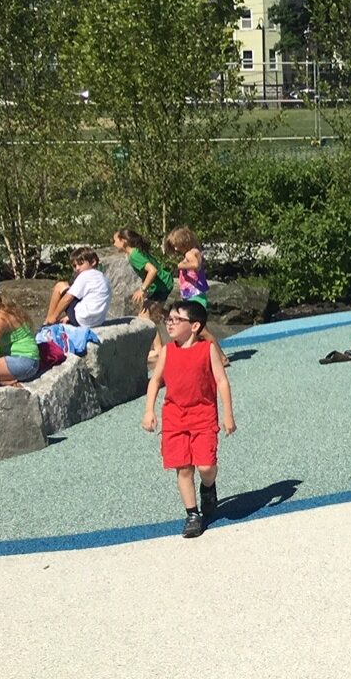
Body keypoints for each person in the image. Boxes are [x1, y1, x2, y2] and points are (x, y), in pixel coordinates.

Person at [141, 300, 233, 539]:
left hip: (203, 414)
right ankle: (192, 514)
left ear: (194, 326)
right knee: (183, 468)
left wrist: (228, 415)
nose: (169, 323)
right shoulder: (168, 351)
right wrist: (149, 410)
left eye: (176, 319)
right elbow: (155, 380)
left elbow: (221, 381)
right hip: (174, 416)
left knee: (206, 466)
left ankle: (208, 487)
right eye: (168, 319)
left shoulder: (207, 349)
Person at [114, 228, 174, 320]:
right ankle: (177, 318)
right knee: (155, 313)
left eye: (115, 241)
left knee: (145, 318)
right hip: (161, 284)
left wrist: (142, 289)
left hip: (162, 286)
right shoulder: (135, 251)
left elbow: (152, 270)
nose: (114, 244)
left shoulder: (134, 255)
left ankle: (179, 319)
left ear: (124, 241)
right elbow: (146, 272)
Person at [45, 246, 111, 328]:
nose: (77, 268)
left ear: (93, 262)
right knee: (73, 290)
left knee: (60, 286)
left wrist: (54, 316)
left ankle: (48, 321)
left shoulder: (85, 275)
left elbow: (68, 298)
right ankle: (66, 317)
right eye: (75, 266)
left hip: (81, 320)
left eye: (81, 264)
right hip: (97, 321)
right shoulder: (103, 278)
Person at [165, 227, 210, 305]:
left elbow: (195, 265)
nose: (175, 249)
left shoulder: (189, 253)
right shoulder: (196, 251)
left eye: (176, 245)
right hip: (196, 291)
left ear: (184, 242)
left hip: (193, 292)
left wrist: (180, 265)